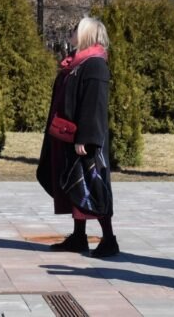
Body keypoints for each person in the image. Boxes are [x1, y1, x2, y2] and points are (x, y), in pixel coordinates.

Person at [36, 17, 118, 258]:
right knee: (74, 185)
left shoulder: (94, 64)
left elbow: (94, 105)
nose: (70, 32)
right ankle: (78, 237)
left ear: (86, 35)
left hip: (84, 139)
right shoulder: (76, 63)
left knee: (93, 185)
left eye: (75, 30)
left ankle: (109, 239)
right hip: (66, 135)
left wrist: (86, 137)